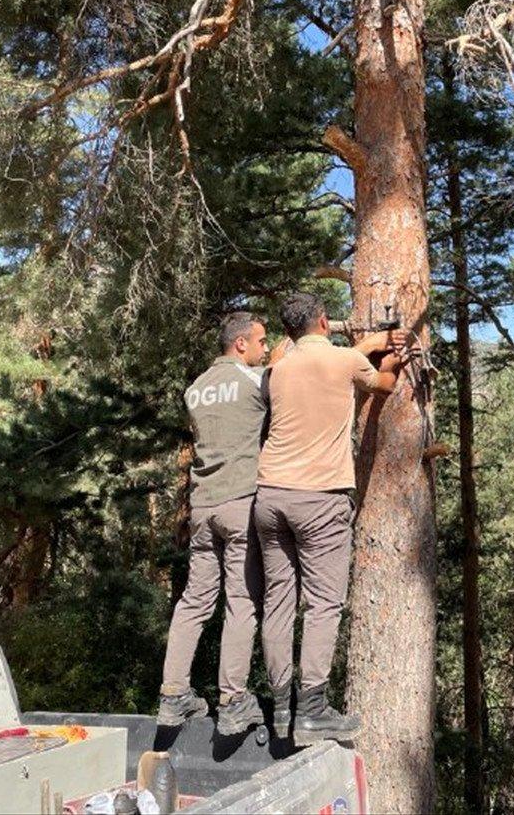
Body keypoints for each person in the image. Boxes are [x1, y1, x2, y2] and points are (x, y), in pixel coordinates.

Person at [253, 292, 406, 745]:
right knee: (323, 603)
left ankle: (281, 706)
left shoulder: (276, 369)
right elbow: (383, 384)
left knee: (279, 600)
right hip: (319, 498)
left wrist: (363, 340)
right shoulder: (344, 363)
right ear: (323, 320)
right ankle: (314, 708)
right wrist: (392, 354)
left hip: (269, 497)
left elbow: (319, 360)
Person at [157, 312, 270, 733]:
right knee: (241, 602)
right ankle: (233, 699)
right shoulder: (255, 381)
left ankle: (173, 694)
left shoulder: (196, 388)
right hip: (241, 501)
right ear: (240, 344)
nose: (263, 349)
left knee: (194, 602)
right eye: (260, 341)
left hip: (203, 507)